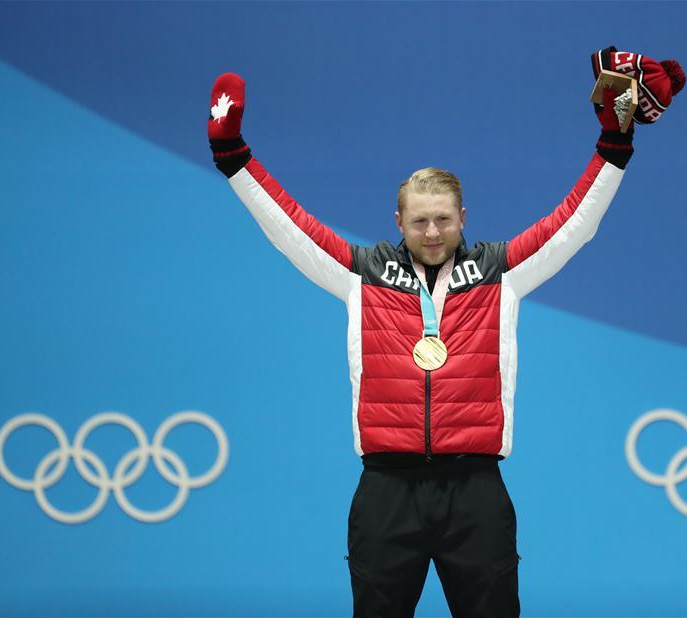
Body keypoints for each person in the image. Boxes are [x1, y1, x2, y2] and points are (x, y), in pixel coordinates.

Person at [208, 70, 633, 618]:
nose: (432, 233)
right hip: (386, 490)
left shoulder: (500, 271)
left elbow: (573, 223)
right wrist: (234, 157)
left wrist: (613, 146)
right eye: (420, 222)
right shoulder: (362, 273)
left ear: (463, 218)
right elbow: (291, 227)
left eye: (443, 220)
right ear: (399, 222)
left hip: (475, 488)